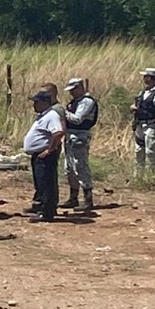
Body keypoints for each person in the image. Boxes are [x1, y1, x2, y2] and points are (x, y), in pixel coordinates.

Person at [24, 91, 65, 222]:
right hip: (38, 154)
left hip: (45, 155)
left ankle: (46, 212)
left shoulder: (51, 115)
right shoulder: (44, 116)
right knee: (41, 182)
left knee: (46, 183)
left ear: (45, 103)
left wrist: (49, 150)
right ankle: (44, 208)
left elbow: (58, 133)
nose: (34, 105)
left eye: (37, 102)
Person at [62, 78, 99, 214]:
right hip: (70, 136)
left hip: (80, 136)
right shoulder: (76, 102)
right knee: (69, 168)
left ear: (79, 88)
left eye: (73, 90)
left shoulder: (86, 102)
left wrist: (63, 112)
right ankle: (73, 197)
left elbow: (78, 119)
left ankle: (88, 199)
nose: (71, 93)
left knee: (80, 166)